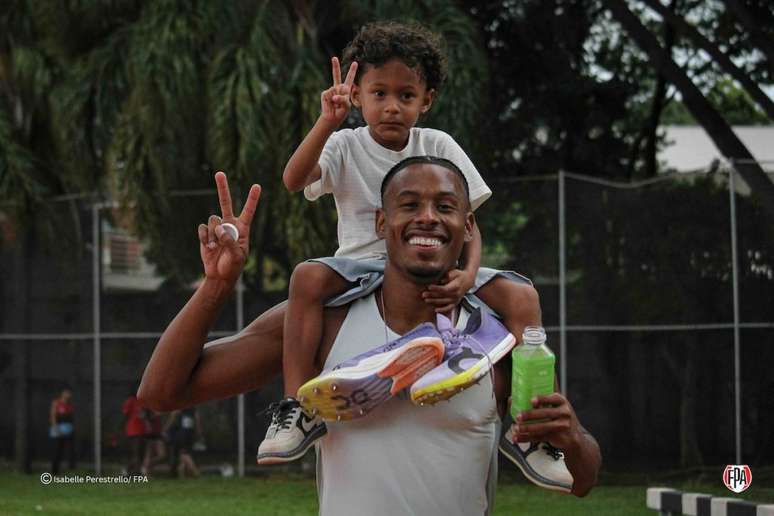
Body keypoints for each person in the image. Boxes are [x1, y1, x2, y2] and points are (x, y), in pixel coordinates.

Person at [138, 166, 601, 514]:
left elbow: (583, 480)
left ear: (467, 226)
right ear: (381, 223)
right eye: (409, 205)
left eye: (444, 206)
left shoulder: (497, 338)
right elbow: (162, 393)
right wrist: (216, 287)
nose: (427, 218)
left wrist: (573, 437)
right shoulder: (325, 322)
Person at [261, 20, 540, 467]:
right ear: (356, 96)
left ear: (425, 101)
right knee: (307, 277)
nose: (392, 106)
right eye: (379, 94)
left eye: (406, 96)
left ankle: (532, 428)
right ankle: (298, 408)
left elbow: (470, 223)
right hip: (361, 267)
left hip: (432, 264)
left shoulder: (438, 144)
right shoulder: (344, 144)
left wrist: (467, 275)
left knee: (521, 294)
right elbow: (295, 180)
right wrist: (324, 122)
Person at [163, 408, 202, 478]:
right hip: (190, 431)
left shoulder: (181, 403)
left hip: (183, 432)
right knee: (183, 454)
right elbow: (197, 417)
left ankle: (196, 473)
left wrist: (166, 429)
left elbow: (173, 415)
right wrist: (198, 431)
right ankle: (183, 475)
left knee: (184, 454)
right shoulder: (193, 406)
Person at [122, 387, 149, 475]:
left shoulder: (142, 401)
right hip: (133, 430)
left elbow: (145, 414)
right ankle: (135, 473)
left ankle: (130, 471)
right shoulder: (131, 400)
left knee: (140, 452)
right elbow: (125, 414)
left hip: (142, 430)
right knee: (136, 452)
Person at [50, 388, 76, 475]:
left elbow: (71, 417)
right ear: (63, 393)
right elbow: (53, 416)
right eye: (67, 393)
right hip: (58, 428)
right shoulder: (56, 403)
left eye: (70, 393)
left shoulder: (70, 405)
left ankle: (71, 468)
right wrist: (56, 428)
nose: (68, 395)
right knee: (57, 450)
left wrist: (72, 428)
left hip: (68, 429)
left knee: (70, 449)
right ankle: (54, 471)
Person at [142, 409, 167, 475]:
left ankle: (147, 467)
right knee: (149, 455)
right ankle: (146, 472)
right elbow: (145, 417)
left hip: (158, 433)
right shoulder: (149, 406)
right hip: (151, 434)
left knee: (162, 455)